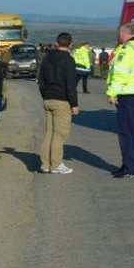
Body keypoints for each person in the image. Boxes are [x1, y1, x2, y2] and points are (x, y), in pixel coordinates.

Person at [106, 23, 134, 178]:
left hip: (127, 95)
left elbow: (120, 74)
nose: (119, 36)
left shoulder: (126, 49)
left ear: (123, 34)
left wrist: (112, 92)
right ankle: (129, 166)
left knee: (126, 133)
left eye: (120, 34)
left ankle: (130, 168)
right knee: (131, 133)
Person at [38, 33, 79, 175]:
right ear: (70, 45)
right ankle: (56, 164)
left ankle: (45, 164)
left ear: (56, 44)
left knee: (49, 132)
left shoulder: (47, 58)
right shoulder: (69, 60)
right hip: (62, 100)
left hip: (48, 99)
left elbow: (41, 81)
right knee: (60, 134)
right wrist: (74, 104)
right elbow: (70, 85)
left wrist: (45, 95)